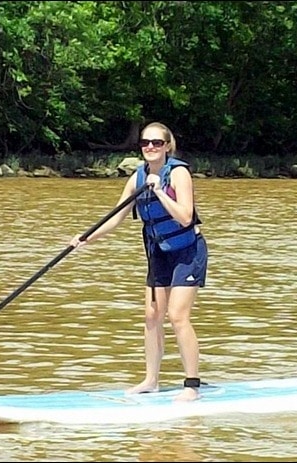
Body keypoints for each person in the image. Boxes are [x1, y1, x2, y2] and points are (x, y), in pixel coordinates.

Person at [70, 121, 208, 401]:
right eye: (145, 142)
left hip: (187, 252)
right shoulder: (137, 177)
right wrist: (85, 239)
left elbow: (185, 217)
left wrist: (158, 191)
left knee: (177, 316)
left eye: (157, 143)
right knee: (151, 315)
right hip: (158, 254)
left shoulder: (178, 173)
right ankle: (151, 381)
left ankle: (191, 385)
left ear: (167, 146)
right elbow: (115, 217)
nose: (150, 147)